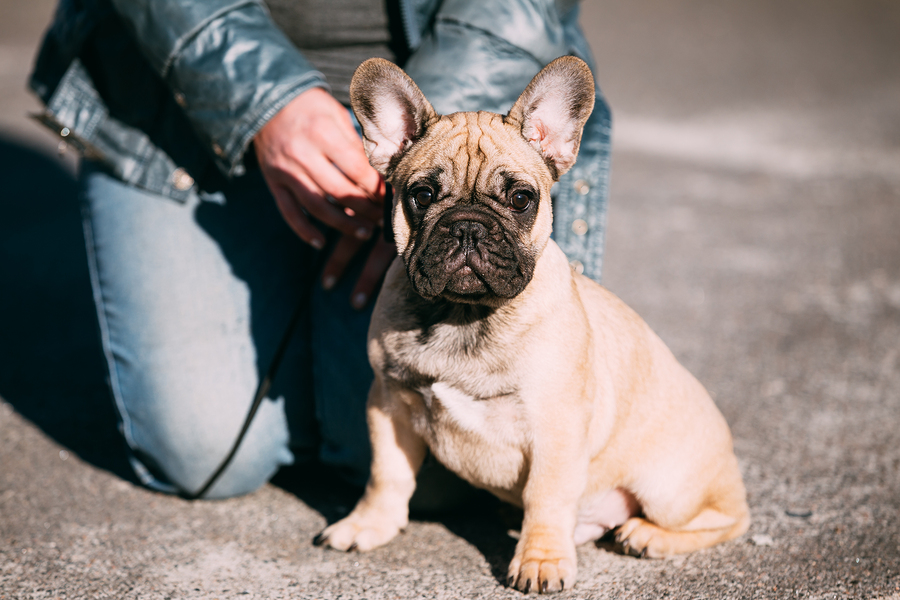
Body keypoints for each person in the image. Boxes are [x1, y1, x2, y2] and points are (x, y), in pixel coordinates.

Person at [29, 0, 611, 499]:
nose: (465, 234)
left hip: (431, 91)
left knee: (447, 480)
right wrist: (263, 101)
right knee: (203, 451)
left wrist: (419, 170)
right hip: (178, 97)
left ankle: (317, 324)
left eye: (511, 201)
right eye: (431, 199)